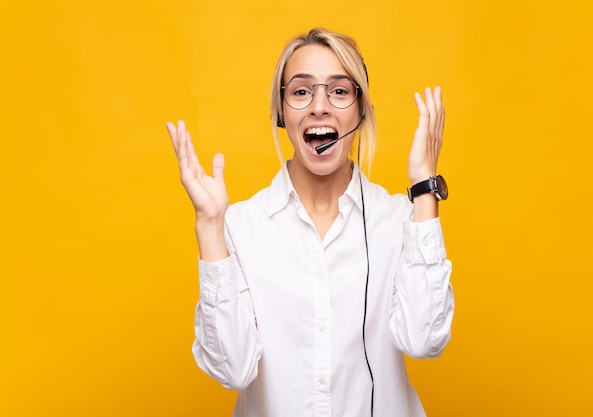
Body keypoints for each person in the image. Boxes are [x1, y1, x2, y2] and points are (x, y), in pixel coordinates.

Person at [166, 27, 454, 417]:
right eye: (301, 92)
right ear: (281, 112)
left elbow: (424, 341)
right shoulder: (240, 225)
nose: (320, 106)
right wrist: (210, 226)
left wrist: (424, 188)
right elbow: (233, 370)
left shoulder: (401, 219)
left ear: (360, 109)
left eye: (339, 90)